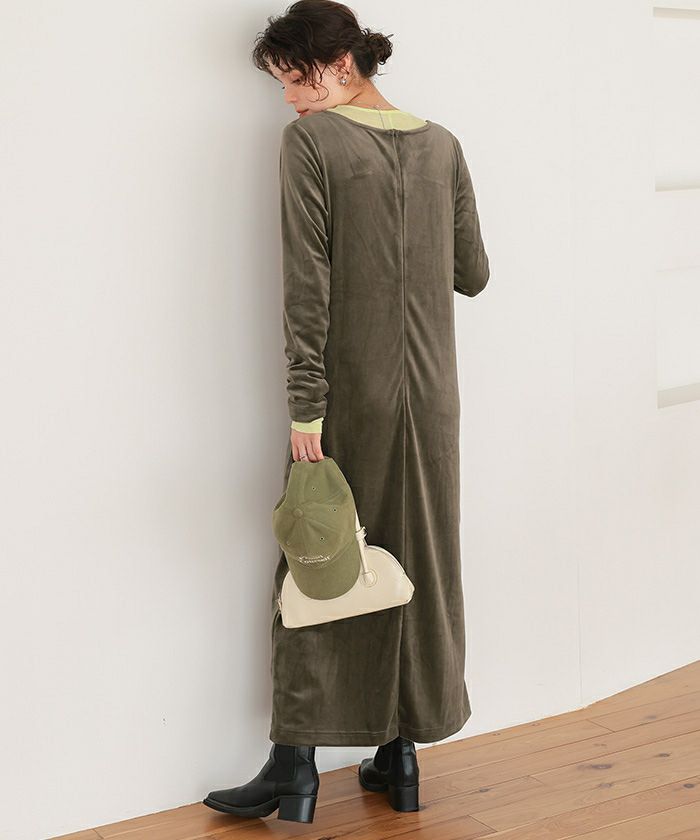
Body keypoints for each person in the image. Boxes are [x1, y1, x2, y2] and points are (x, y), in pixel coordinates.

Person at [203, 0, 490, 824]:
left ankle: (294, 766)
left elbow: (308, 286)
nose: (288, 99)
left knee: (319, 562)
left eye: (293, 79)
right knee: (410, 561)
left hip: (347, 398)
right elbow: (473, 273)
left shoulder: (312, 143)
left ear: (337, 66)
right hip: (432, 401)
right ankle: (399, 758)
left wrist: (306, 408)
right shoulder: (443, 145)